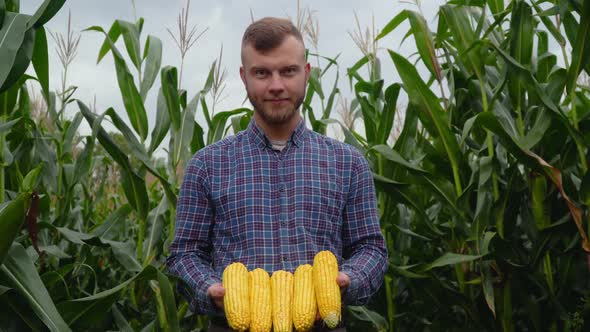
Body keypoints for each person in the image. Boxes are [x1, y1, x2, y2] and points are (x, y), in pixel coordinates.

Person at [166, 17, 388, 331]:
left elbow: (371, 249)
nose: (276, 85)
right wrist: (209, 290)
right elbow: (184, 255)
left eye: (288, 71)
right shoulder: (207, 165)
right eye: (261, 72)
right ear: (244, 77)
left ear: (306, 73)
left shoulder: (348, 163)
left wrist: (345, 279)